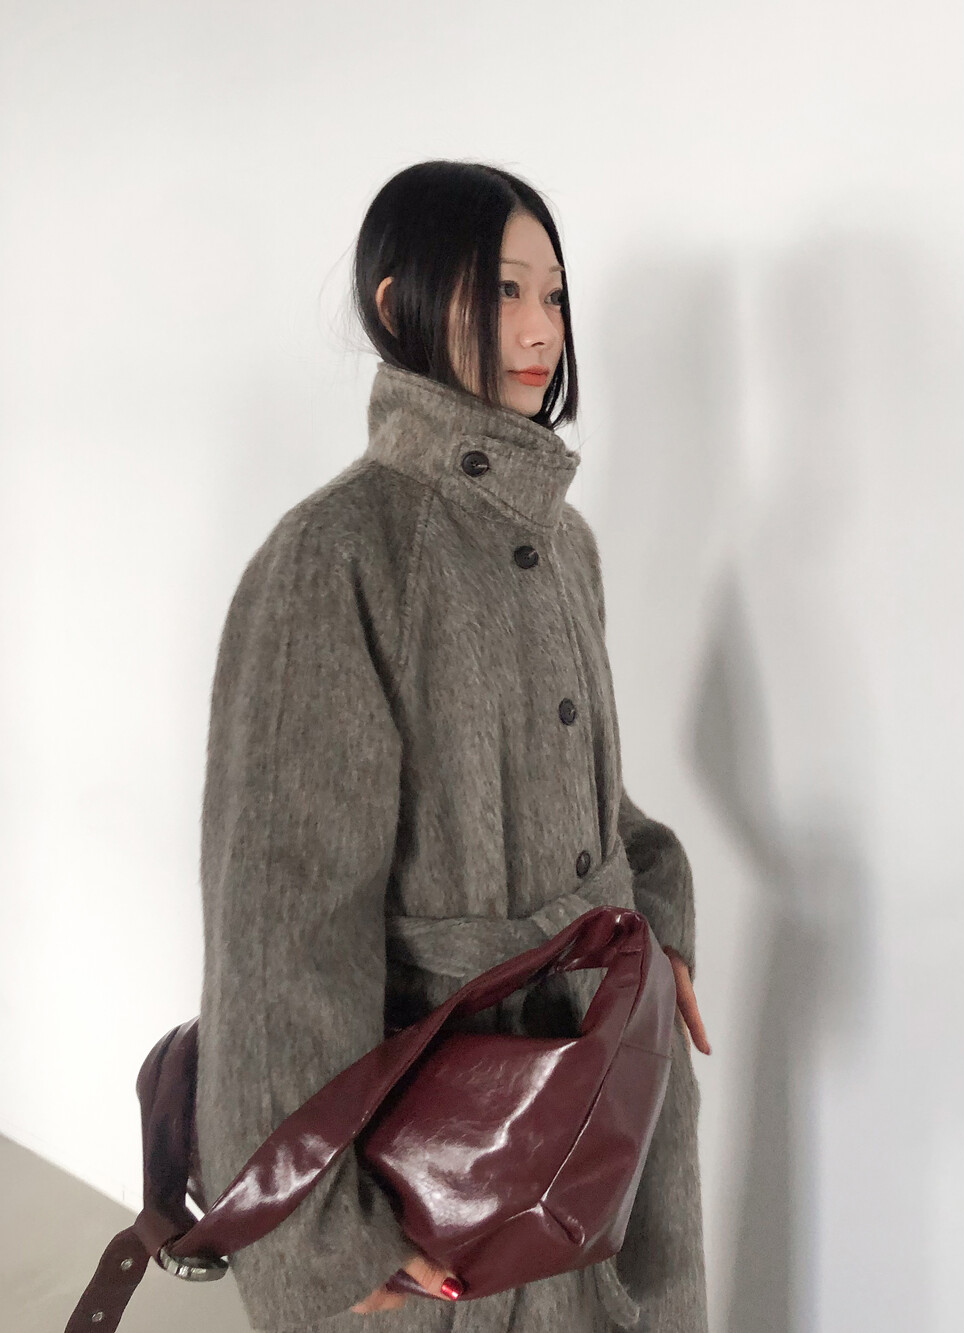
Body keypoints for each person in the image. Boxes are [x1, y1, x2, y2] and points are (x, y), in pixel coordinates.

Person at [195, 159, 710, 1333]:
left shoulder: (566, 543)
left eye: (554, 294)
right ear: (399, 306)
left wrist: (654, 922)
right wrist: (317, 1238)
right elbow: (282, 929)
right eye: (503, 291)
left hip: (608, 1097)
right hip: (447, 1151)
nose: (540, 329)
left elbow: (596, 802)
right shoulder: (334, 556)